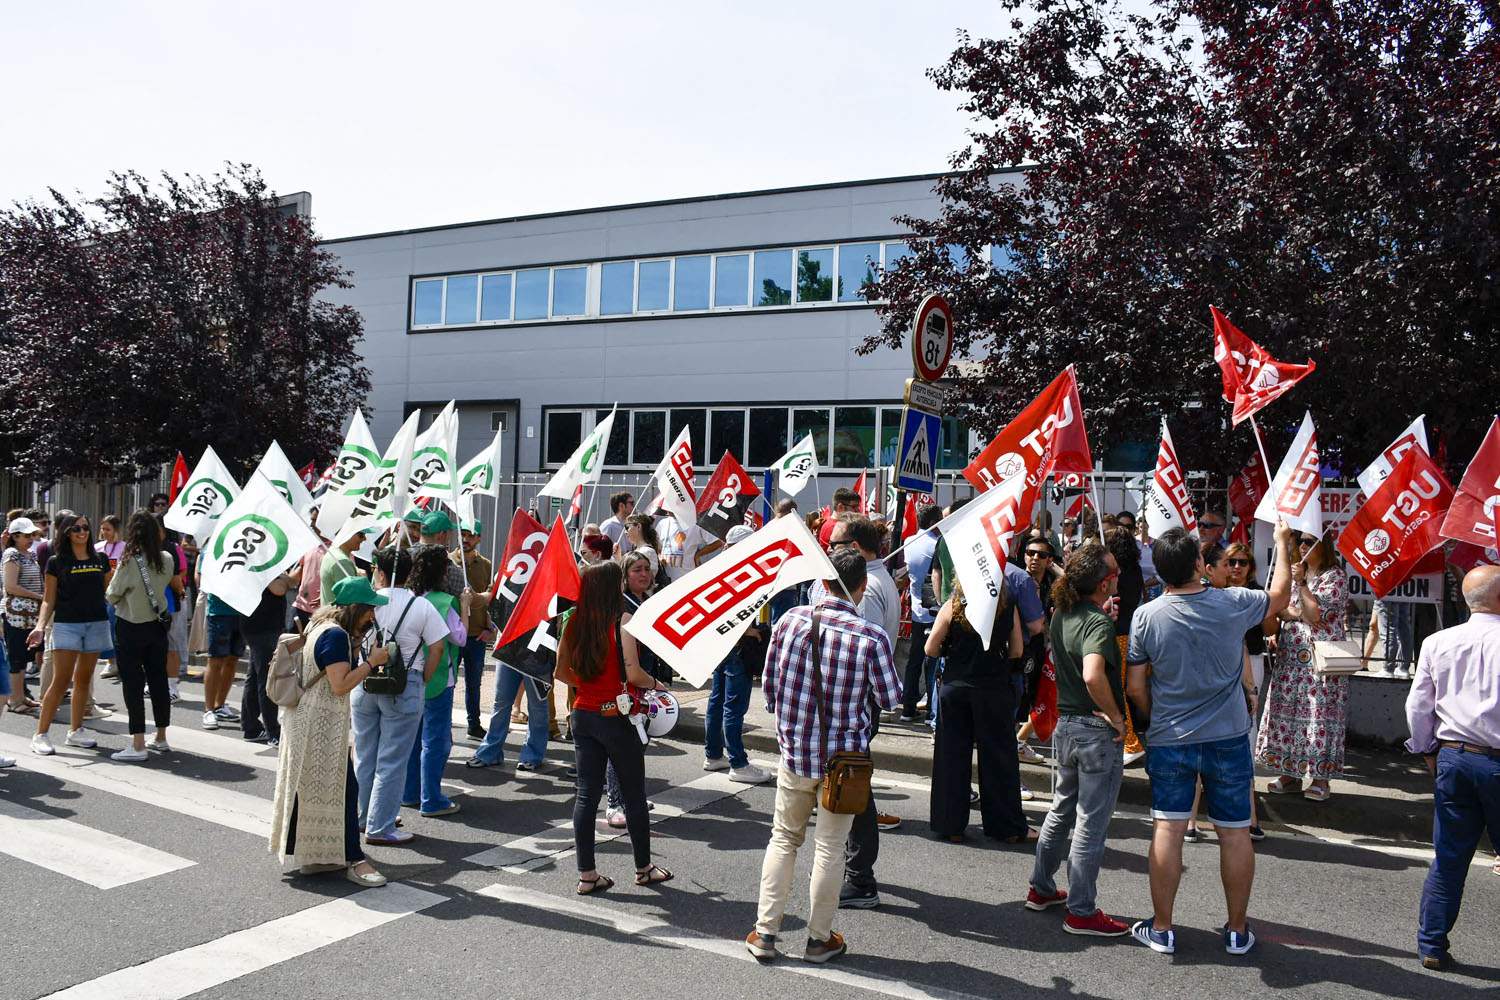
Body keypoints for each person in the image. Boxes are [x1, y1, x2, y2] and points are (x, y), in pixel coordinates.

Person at [1125, 523, 1295, 957]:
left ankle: (1162, 928)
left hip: (1170, 736)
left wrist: (1152, 718)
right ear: (1200, 564)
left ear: (1160, 571)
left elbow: (1136, 686)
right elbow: (1279, 597)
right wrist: (1279, 545)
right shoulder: (1233, 602)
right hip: (1228, 736)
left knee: (1169, 827)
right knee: (1235, 832)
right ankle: (1237, 930)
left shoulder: (1146, 615)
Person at [746, 547, 900, 964]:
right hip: (843, 764)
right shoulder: (871, 637)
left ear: (823, 581)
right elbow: (889, 698)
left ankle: (765, 933)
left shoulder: (789, 621)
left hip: (795, 753)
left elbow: (771, 690)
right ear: (861, 587)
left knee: (783, 839)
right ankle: (818, 939)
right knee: (830, 848)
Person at [1028, 542, 1132, 937]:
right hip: (1093, 730)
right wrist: (1118, 718)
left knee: (1061, 810)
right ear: (1104, 584)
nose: (1119, 578)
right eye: (1115, 574)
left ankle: (1041, 887)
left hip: (1066, 726)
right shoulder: (1097, 623)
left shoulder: (1064, 613)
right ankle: (1082, 909)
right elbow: (1093, 674)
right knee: (1090, 821)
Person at [554, 560, 672, 895]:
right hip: (617, 716)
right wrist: (657, 684)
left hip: (583, 714)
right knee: (633, 794)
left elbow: (561, 673)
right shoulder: (623, 621)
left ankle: (587, 875)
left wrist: (590, 687)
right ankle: (644, 869)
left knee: (586, 795)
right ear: (612, 586)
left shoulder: (573, 619)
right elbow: (634, 675)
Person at [1404, 565, 1500, 971]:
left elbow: (1417, 706)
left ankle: (1431, 944)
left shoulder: (1437, 641)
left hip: (1454, 755)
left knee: (1449, 856)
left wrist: (1427, 748)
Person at [269, 575, 390, 888]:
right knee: (344, 790)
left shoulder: (319, 625)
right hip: (319, 726)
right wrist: (372, 663)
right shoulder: (335, 636)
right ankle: (353, 858)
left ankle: (321, 854)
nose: (372, 615)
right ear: (354, 608)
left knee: (313, 788)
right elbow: (340, 685)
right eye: (369, 609)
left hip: (306, 718)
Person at [818, 514, 902, 908]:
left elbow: (853, 652)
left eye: (835, 544)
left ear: (854, 548)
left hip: (852, 702)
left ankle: (860, 876)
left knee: (854, 787)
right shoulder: (875, 580)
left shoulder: (864, 593)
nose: (829, 549)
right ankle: (853, 869)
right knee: (850, 784)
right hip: (855, 702)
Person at [353, 546, 449, 845]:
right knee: (392, 759)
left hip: (364, 679)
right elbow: (438, 648)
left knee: (365, 755)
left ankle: (366, 814)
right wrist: (422, 677)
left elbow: (352, 638)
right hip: (404, 684)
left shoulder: (366, 602)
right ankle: (380, 826)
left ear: (379, 572)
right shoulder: (421, 606)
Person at [925, 579, 1028, 843]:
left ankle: (951, 825)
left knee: (952, 756)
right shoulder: (1007, 605)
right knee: (999, 758)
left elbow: (930, 648)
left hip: (956, 686)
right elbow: (1017, 650)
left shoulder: (954, 604)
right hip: (994, 687)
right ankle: (1005, 827)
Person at [1255, 530, 1350, 801]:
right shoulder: (1298, 572)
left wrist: (1303, 591)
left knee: (1318, 717)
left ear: (1323, 545)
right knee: (1289, 716)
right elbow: (1282, 610)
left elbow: (1313, 614)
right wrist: (1292, 613)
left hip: (1321, 663)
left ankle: (1321, 779)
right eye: (1301, 541)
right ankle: (1290, 774)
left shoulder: (1335, 576)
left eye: (1310, 541)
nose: (1303, 546)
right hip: (1291, 659)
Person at [30, 513, 113, 755]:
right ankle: (40, 734)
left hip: (96, 623)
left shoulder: (101, 558)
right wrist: (39, 626)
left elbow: (111, 589)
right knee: (61, 680)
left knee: (84, 680)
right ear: (66, 532)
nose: (82, 532)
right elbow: (48, 599)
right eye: (76, 528)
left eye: (85, 528)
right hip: (67, 624)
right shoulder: (57, 562)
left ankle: (75, 731)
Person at [105, 511, 183, 761]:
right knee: (158, 680)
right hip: (157, 626)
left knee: (133, 684)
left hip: (130, 625)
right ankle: (161, 737)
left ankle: (138, 743)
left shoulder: (129, 560)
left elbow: (112, 594)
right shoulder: (166, 558)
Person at [700, 527, 772, 784]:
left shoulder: (719, 568)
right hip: (737, 647)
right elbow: (733, 612)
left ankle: (713, 754)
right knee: (733, 706)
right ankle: (738, 762)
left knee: (717, 700)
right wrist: (750, 631)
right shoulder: (738, 572)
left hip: (721, 645)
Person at [402, 545, 469, 819]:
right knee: (436, 741)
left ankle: (409, 793)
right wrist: (465, 607)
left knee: (413, 739)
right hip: (440, 677)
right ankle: (431, 798)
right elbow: (460, 638)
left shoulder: (407, 597)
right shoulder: (444, 601)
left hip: (410, 676)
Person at [241, 574, 298, 747]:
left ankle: (251, 726)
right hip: (260, 626)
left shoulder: (268, 565)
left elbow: (292, 581)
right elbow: (279, 589)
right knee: (266, 678)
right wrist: (284, 581)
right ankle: (272, 731)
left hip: (262, 626)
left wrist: (285, 579)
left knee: (254, 676)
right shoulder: (258, 564)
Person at [898, 504, 942, 722]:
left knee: (914, 660)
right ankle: (931, 712)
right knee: (933, 661)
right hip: (934, 609)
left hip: (917, 608)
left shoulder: (910, 541)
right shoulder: (938, 545)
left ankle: (908, 706)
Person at [454, 519, 495, 740]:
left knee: (474, 684)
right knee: (448, 682)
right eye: (463, 534)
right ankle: (445, 726)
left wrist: (491, 629)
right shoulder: (448, 562)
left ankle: (474, 723)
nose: (466, 539)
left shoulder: (486, 565)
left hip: (477, 635)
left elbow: (492, 600)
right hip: (453, 634)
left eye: (471, 535)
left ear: (479, 538)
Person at [3, 516, 45, 715]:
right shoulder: (12, 554)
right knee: (16, 657)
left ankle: (21, 696)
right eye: (26, 535)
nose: (31, 538)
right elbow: (11, 586)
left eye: (32, 534)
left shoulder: (30, 554)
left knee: (24, 656)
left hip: (30, 614)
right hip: (15, 614)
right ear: (15, 536)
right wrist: (38, 596)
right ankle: (14, 699)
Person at [95, 514, 124, 679]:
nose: (104, 532)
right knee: (106, 627)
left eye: (108, 529)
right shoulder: (97, 547)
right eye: (103, 528)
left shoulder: (125, 547)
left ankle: (120, 660)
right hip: (101, 594)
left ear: (116, 530)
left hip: (119, 594)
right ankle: (111, 661)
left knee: (117, 627)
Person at [417, 511, 468, 598]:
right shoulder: (448, 567)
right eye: (450, 532)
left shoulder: (404, 557)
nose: (450, 537)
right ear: (441, 534)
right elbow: (469, 595)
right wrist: (487, 596)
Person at [319, 528, 366, 607]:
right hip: (340, 617)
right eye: (361, 535)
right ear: (347, 533)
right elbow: (350, 602)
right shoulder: (342, 561)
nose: (365, 538)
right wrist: (364, 581)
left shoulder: (333, 552)